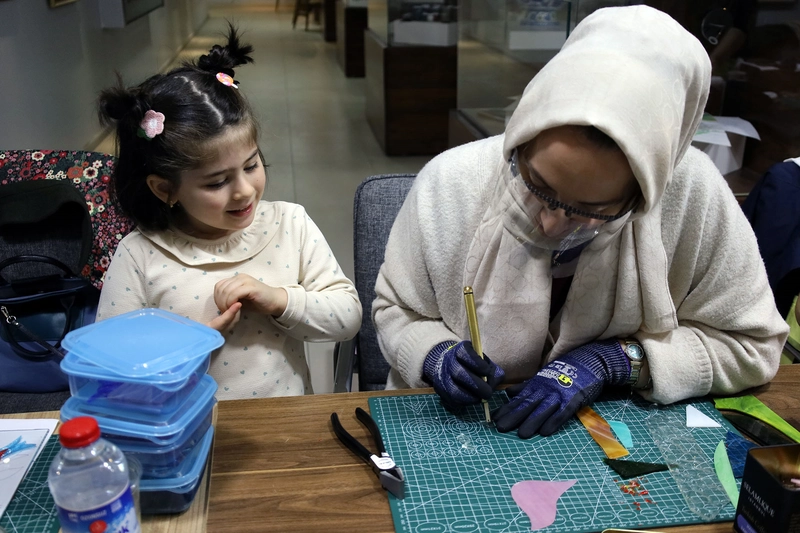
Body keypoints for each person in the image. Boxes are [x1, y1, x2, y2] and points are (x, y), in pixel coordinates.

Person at [372, 5, 789, 438]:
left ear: (643, 193)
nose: (552, 226)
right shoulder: (451, 182)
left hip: (618, 432)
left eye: (593, 210)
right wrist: (433, 354)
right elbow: (395, 310)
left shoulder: (692, 195)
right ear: (523, 138)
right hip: (455, 430)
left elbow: (752, 347)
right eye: (538, 185)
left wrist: (618, 361)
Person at [96, 26, 362, 400]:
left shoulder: (290, 225)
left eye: (251, 165)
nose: (244, 190)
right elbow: (109, 370)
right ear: (165, 189)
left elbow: (347, 317)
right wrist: (192, 346)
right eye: (217, 182)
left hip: (286, 421)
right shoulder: (140, 255)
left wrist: (279, 300)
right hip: (187, 425)